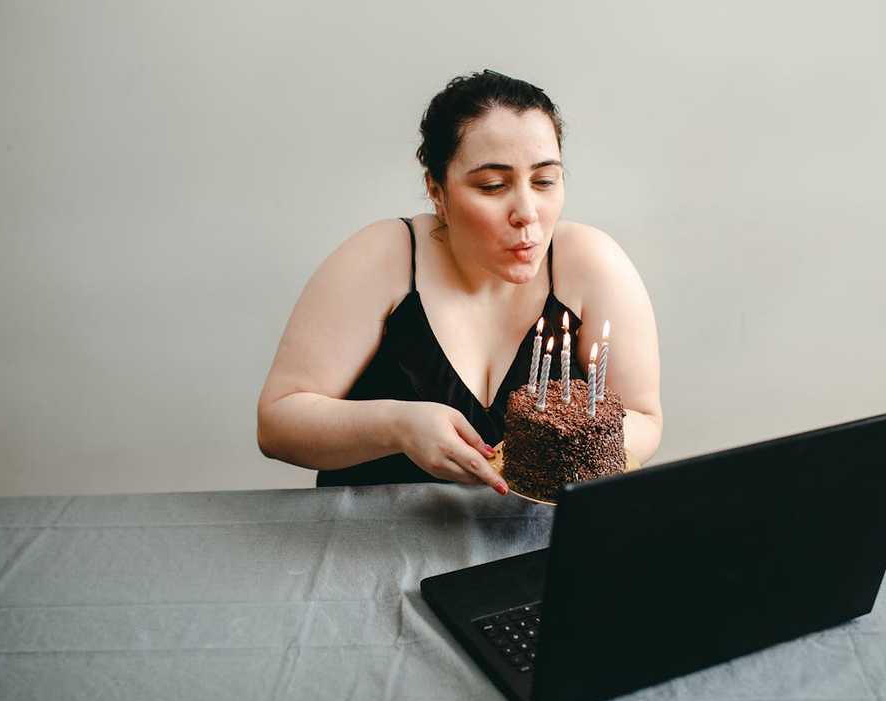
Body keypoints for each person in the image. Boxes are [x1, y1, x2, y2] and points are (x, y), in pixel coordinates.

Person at [257, 70, 662, 494]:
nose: (527, 211)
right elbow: (277, 424)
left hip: (542, 546)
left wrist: (555, 449)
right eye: (492, 186)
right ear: (438, 190)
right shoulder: (383, 258)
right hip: (379, 545)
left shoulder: (591, 263)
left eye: (545, 181)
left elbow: (643, 417)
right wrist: (396, 426)